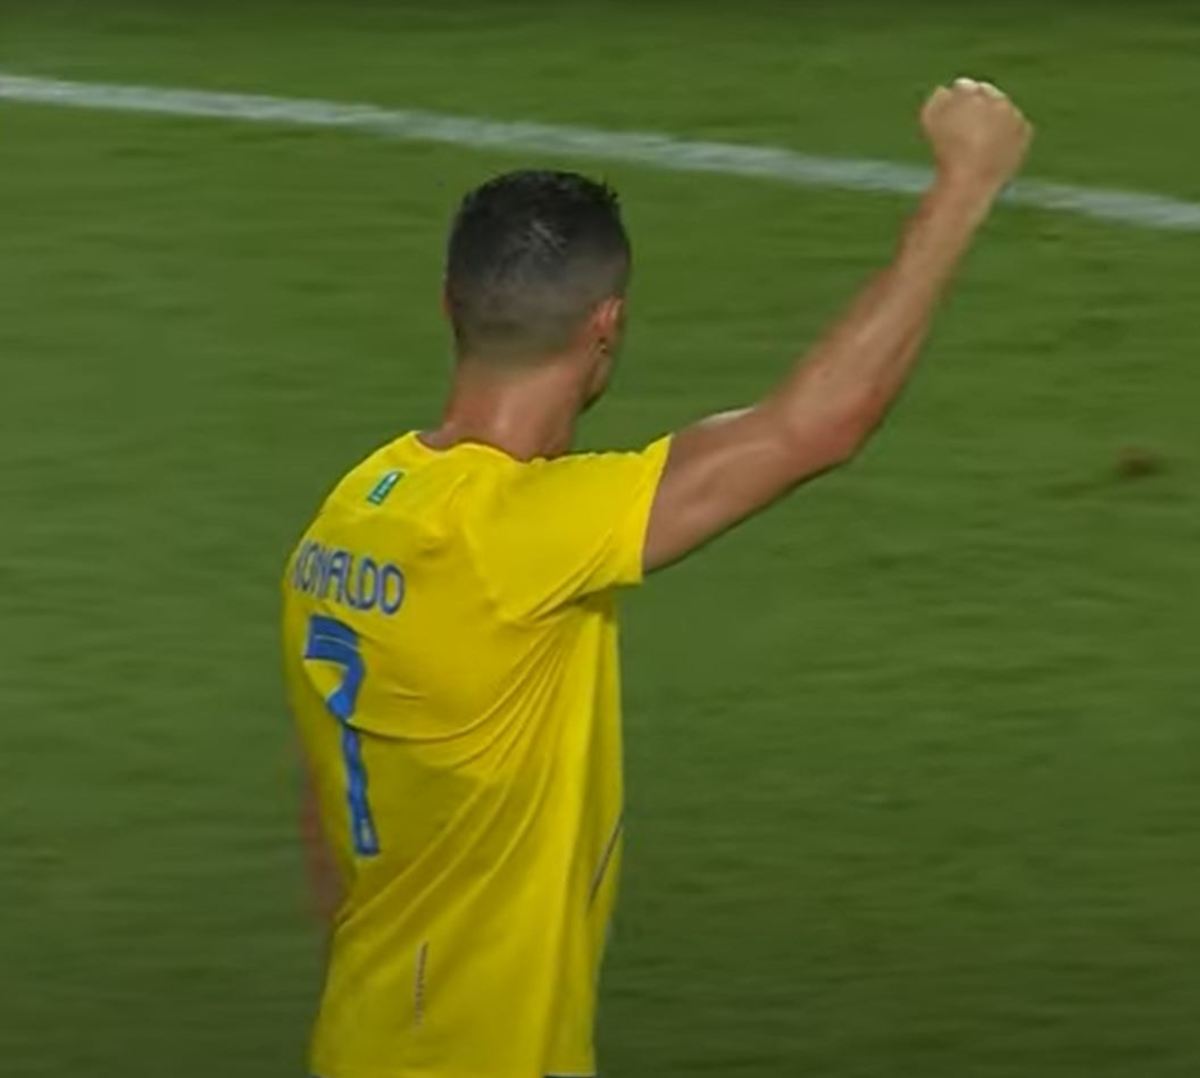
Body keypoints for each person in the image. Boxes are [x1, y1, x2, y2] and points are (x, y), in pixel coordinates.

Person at [281, 77, 1032, 1078]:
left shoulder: (354, 509)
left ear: (450, 304)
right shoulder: (521, 538)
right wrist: (965, 185)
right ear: (606, 326)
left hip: (362, 1036)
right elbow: (813, 426)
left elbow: (322, 826)